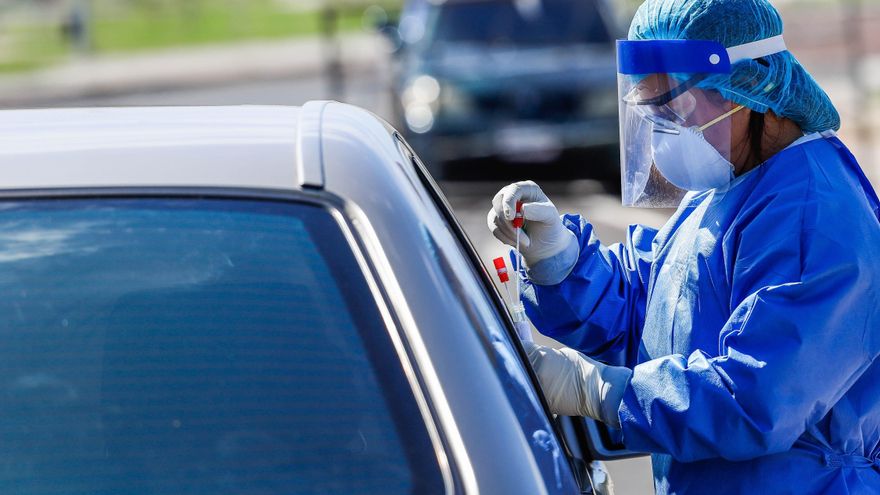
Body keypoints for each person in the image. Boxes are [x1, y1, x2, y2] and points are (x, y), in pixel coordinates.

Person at [487, 0, 880, 493]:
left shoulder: (814, 215)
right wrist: (559, 258)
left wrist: (597, 391)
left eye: (672, 109)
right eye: (649, 112)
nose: (662, 131)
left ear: (745, 87)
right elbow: (653, 314)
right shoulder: (728, 187)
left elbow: (755, 401)